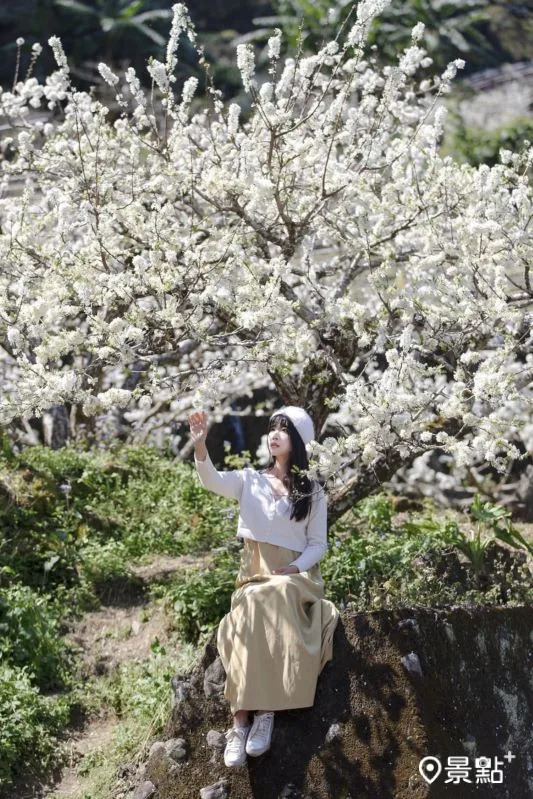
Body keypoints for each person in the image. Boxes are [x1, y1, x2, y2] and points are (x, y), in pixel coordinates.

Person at [187, 405, 339, 768]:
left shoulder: (313, 492)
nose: (274, 435)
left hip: (295, 579)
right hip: (253, 577)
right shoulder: (249, 480)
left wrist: (294, 568)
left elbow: (318, 544)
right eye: (272, 428)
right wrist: (200, 445)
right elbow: (213, 480)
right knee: (256, 598)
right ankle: (241, 723)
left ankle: (265, 713)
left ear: (299, 440)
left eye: (283, 429)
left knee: (274, 593)